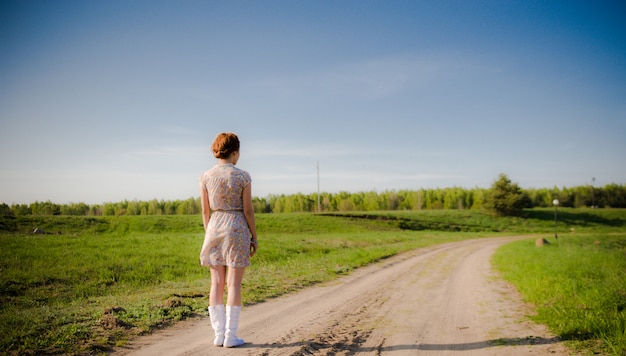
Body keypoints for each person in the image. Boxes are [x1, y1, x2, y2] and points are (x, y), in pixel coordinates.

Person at [199, 132, 258, 348]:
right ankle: (231, 336)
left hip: (214, 225)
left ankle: (218, 334)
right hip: (237, 227)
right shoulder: (242, 176)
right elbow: (248, 210)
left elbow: (205, 212)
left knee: (216, 283)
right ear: (235, 152)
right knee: (233, 284)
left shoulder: (205, 176)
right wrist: (254, 236)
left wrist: (210, 233)